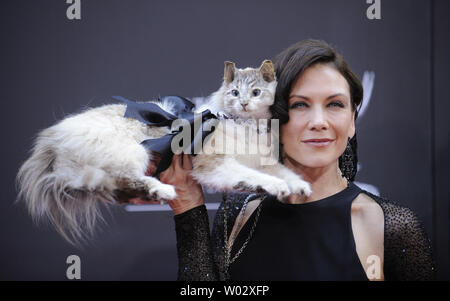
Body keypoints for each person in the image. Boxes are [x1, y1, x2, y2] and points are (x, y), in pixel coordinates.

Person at [129, 39, 435, 281]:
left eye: (335, 105)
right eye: (300, 105)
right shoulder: (238, 212)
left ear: (352, 118)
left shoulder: (391, 227)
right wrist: (187, 208)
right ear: (272, 116)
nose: (319, 121)